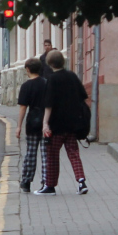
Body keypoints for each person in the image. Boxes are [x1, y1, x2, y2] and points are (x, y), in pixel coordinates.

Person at [38, 50, 89, 195]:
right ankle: (81, 182)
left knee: (52, 155)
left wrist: (45, 123)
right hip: (73, 124)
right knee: (73, 153)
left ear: (49, 63)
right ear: (63, 61)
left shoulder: (52, 79)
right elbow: (83, 97)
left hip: (56, 125)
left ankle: (50, 186)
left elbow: (49, 104)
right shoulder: (72, 76)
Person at [16, 57, 48, 193]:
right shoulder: (47, 83)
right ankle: (47, 181)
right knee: (46, 154)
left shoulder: (26, 86)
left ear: (28, 69)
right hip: (46, 122)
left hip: (32, 122)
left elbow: (23, 107)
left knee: (30, 153)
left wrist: (19, 126)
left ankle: (26, 181)